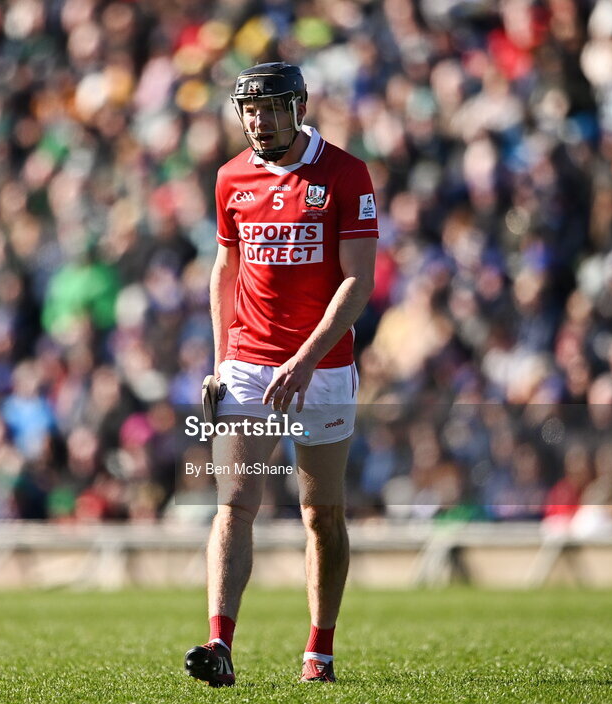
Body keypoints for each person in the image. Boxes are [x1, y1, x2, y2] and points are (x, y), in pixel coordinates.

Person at [184, 62, 378, 686]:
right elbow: (225, 269)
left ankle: (319, 648)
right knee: (234, 503)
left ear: (298, 107)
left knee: (320, 513)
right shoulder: (230, 177)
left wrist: (305, 360)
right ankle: (219, 645)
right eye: (248, 110)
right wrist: (221, 361)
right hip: (246, 364)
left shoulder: (345, 175)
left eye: (269, 109)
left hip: (322, 369)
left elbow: (358, 282)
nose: (257, 121)